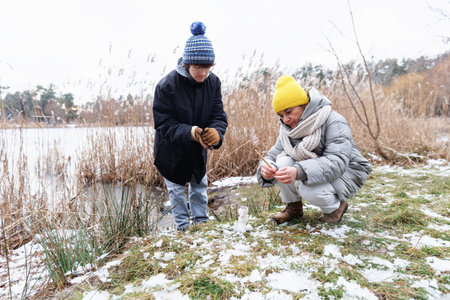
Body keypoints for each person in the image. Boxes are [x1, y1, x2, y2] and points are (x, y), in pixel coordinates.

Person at [257, 75, 372, 224]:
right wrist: (266, 168)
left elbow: (337, 161)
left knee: (308, 188)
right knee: (281, 162)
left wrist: (299, 171)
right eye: (281, 115)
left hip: (348, 170)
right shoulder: (288, 130)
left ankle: (335, 208)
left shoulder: (334, 121)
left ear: (304, 105)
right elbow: (273, 154)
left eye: (289, 112)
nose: (285, 120)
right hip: (316, 168)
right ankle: (294, 208)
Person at [153, 21, 227, 231]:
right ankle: (183, 230)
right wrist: (190, 131)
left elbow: (218, 115)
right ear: (186, 64)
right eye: (197, 67)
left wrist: (217, 132)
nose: (202, 73)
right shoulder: (166, 85)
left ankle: (201, 226)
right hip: (171, 150)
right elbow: (163, 124)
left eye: (207, 67)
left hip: (197, 149)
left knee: (199, 186)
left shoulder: (214, 83)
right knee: (176, 190)